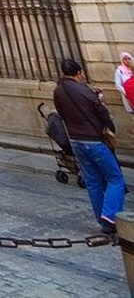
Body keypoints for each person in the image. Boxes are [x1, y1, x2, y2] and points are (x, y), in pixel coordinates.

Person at [53, 59, 126, 234]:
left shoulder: (58, 91)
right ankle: (110, 215)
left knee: (93, 181)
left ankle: (102, 218)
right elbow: (100, 112)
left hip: (76, 141)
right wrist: (101, 105)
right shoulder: (84, 90)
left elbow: (62, 113)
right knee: (115, 178)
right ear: (78, 73)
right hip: (93, 139)